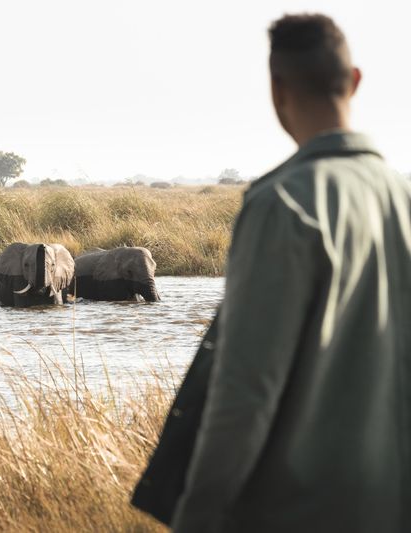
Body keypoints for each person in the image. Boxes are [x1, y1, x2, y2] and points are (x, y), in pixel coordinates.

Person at [167, 14, 411, 532]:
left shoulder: (283, 203)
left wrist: (198, 516)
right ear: (356, 80)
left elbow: (246, 392)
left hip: (299, 510)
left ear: (277, 89)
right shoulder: (401, 196)